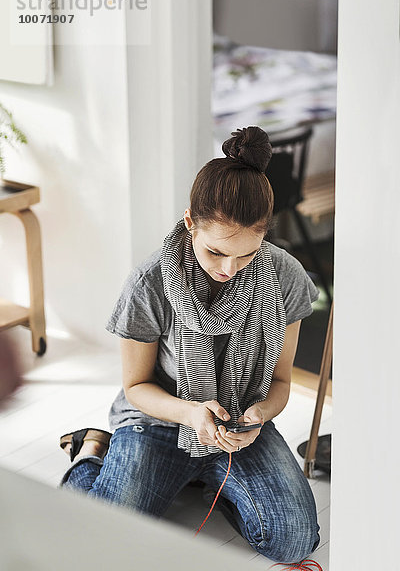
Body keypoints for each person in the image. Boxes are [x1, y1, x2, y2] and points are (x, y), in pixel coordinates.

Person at [59, 126, 321, 565]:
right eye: (216, 251)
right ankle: (91, 449)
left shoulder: (285, 276)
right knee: (98, 536)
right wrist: (191, 413)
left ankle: (214, 480)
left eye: (247, 254)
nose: (229, 268)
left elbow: (278, 380)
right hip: (158, 421)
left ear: (264, 235)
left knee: (294, 542)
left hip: (238, 427)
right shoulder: (150, 282)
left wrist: (259, 416)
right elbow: (136, 386)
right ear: (189, 223)